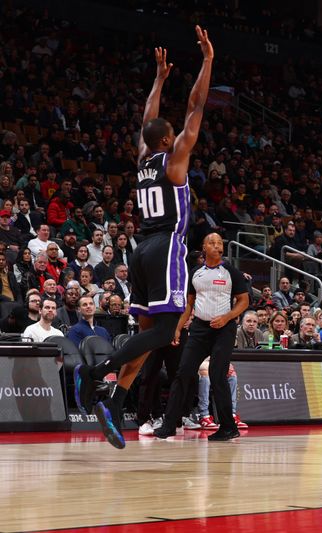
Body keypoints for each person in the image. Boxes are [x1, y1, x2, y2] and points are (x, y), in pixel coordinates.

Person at [74, 28, 214, 449]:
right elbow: (197, 105)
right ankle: (98, 373)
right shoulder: (174, 161)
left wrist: (158, 78)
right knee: (168, 330)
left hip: (139, 249)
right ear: (169, 140)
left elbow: (146, 118)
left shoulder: (143, 157)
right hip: (167, 246)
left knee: (148, 334)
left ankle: (113, 406)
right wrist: (208, 61)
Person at [154, 233, 249, 441]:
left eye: (220, 243)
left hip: (224, 330)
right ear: (204, 247)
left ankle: (227, 427)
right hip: (199, 329)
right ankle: (170, 424)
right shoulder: (195, 273)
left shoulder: (231, 272)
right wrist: (178, 328)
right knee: (183, 372)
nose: (217, 246)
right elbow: (189, 304)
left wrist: (227, 317)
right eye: (212, 243)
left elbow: (243, 301)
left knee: (217, 375)